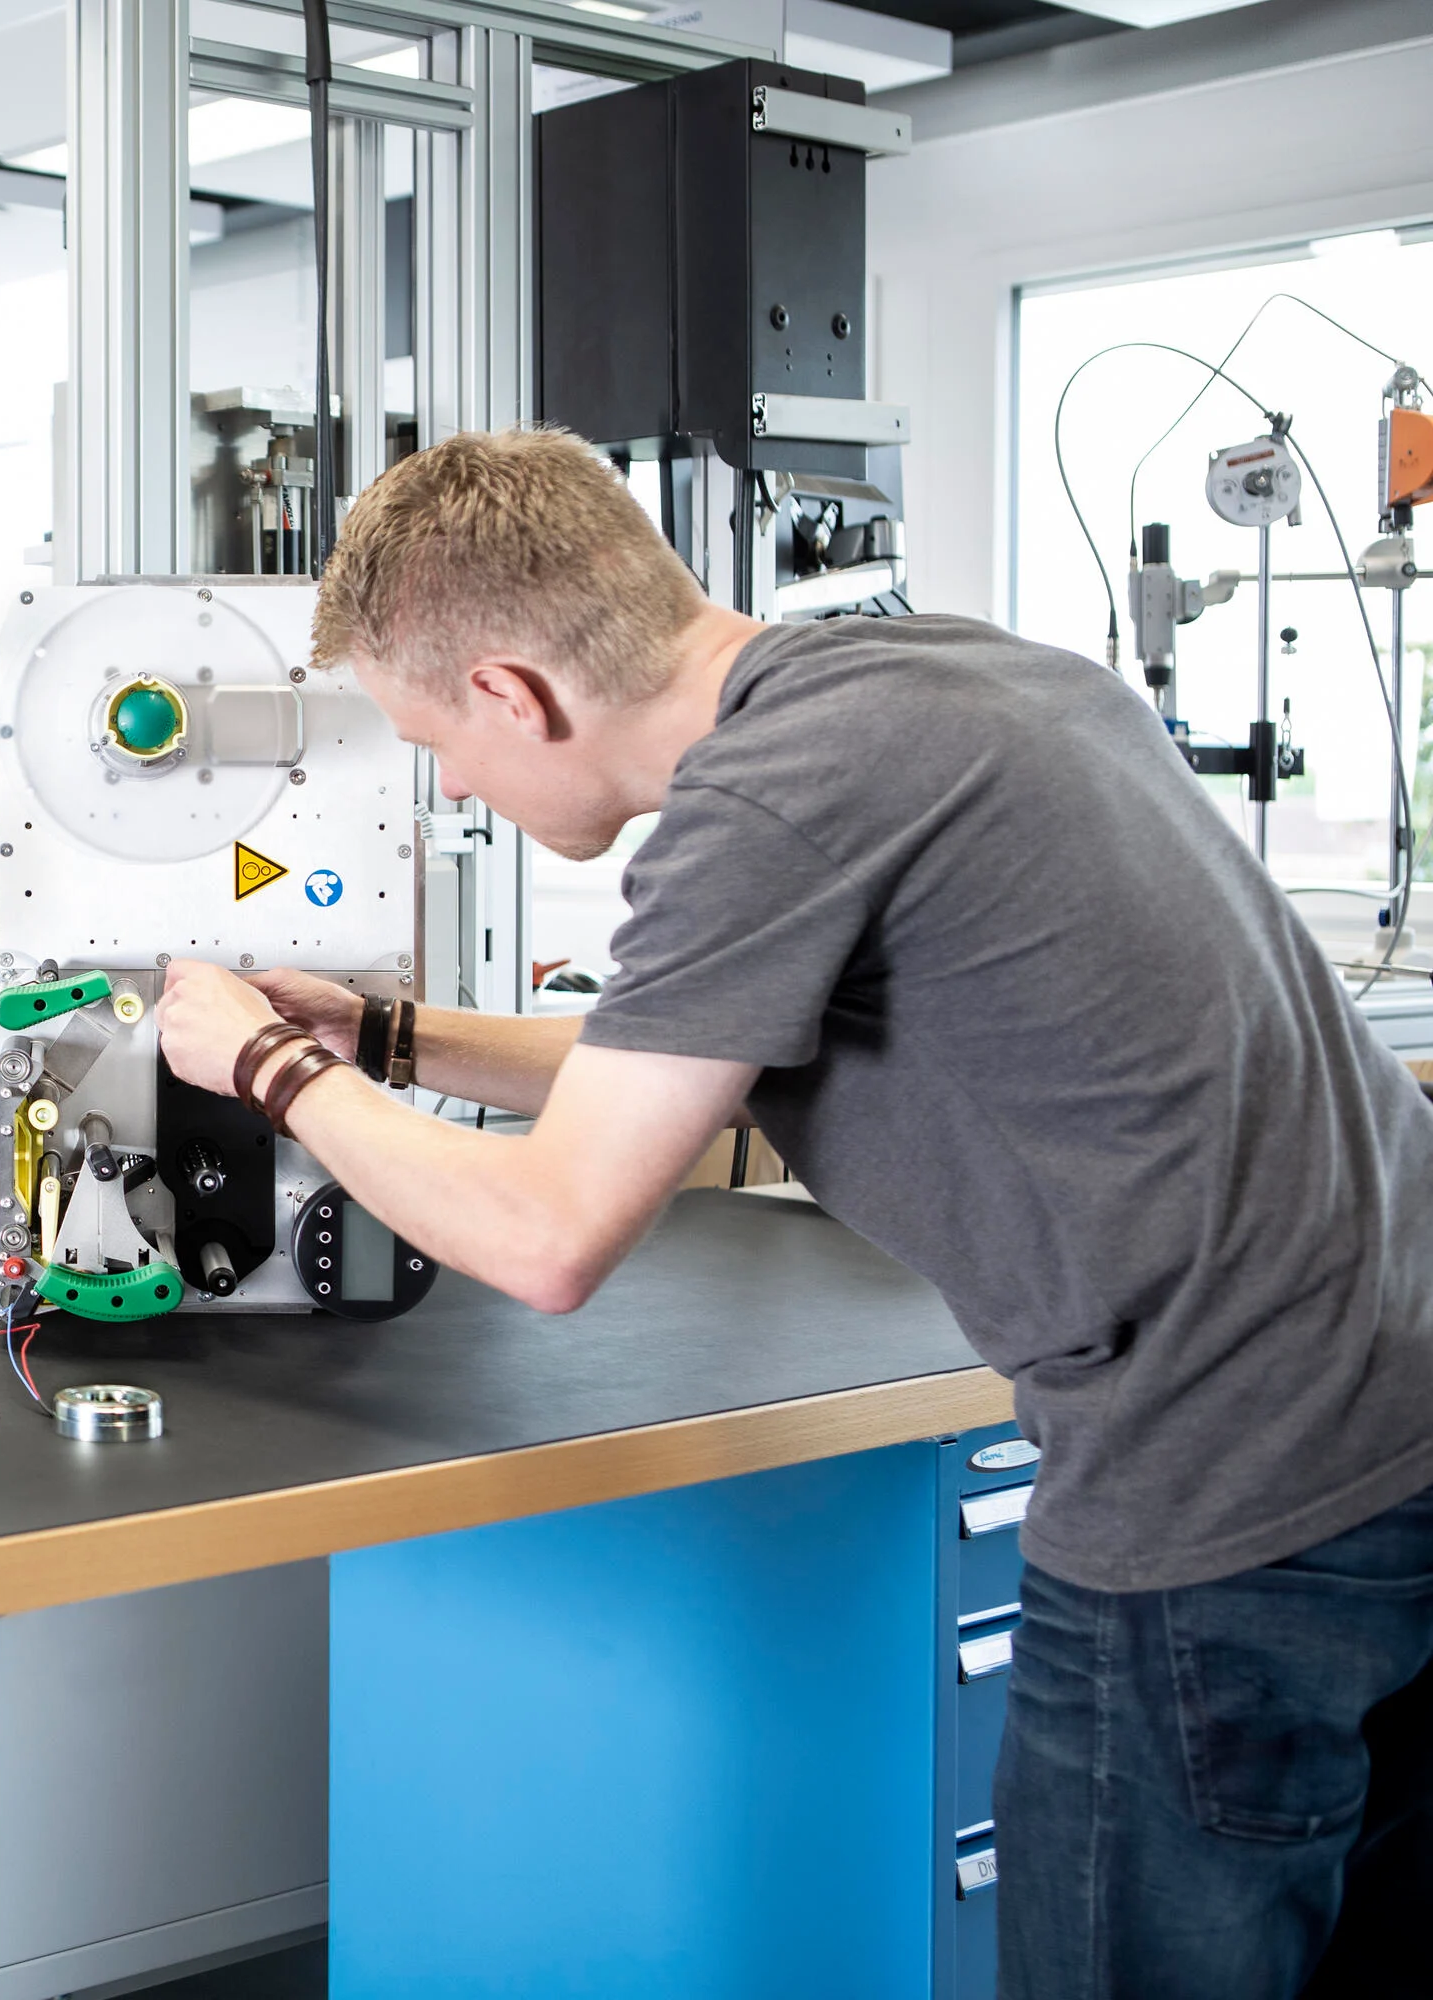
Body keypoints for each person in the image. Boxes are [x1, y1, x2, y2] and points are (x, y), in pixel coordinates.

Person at [156, 426, 1433, 1997]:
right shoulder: (955, 683)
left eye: (435, 743)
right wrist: (390, 1040)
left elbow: (551, 1239)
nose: (452, 784)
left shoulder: (764, 808)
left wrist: (267, 1064)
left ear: (511, 693)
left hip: (1228, 1495)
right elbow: (685, 1051)